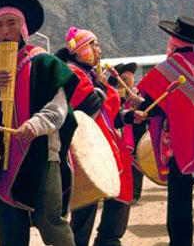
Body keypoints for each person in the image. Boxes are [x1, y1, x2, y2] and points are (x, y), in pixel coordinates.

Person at [0, 0, 79, 246]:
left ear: (23, 27)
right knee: (10, 227)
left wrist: (35, 125)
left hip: (41, 151)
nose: (5, 30)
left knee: (51, 220)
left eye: (12, 23)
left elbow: (59, 107)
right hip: (2, 159)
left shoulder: (45, 63)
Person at [131, 16, 194, 246]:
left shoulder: (164, 69)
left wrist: (141, 108)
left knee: (179, 198)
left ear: (173, 41)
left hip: (179, 144)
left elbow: (150, 107)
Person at [55, 26, 134, 246]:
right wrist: (99, 87)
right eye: (94, 44)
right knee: (87, 197)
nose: (98, 50)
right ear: (81, 50)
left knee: (118, 187)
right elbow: (87, 107)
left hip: (106, 143)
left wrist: (129, 116)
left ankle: (109, 238)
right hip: (85, 146)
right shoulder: (72, 72)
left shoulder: (89, 74)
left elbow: (110, 115)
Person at [109, 63, 146, 204]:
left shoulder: (138, 95)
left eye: (130, 79)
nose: (128, 82)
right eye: (124, 80)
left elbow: (146, 112)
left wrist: (139, 104)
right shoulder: (114, 94)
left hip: (137, 133)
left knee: (136, 163)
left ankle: (134, 193)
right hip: (119, 134)